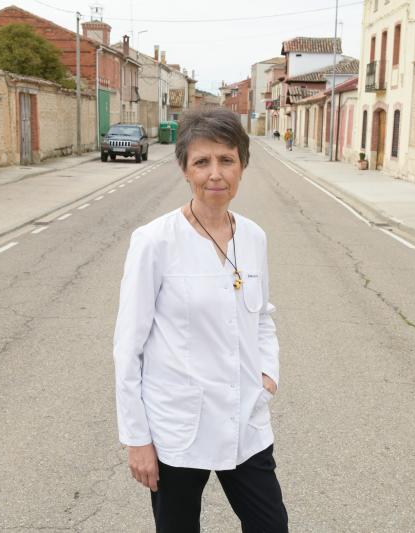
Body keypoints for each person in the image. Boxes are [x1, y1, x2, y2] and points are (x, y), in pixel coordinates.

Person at [113, 108, 288, 533]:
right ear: (185, 169)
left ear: (242, 165)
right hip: (178, 430)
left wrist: (268, 373)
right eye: (202, 162)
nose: (215, 174)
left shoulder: (253, 236)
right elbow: (128, 346)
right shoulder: (155, 241)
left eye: (226, 160)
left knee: (271, 526)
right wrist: (137, 439)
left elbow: (262, 317)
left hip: (244, 420)